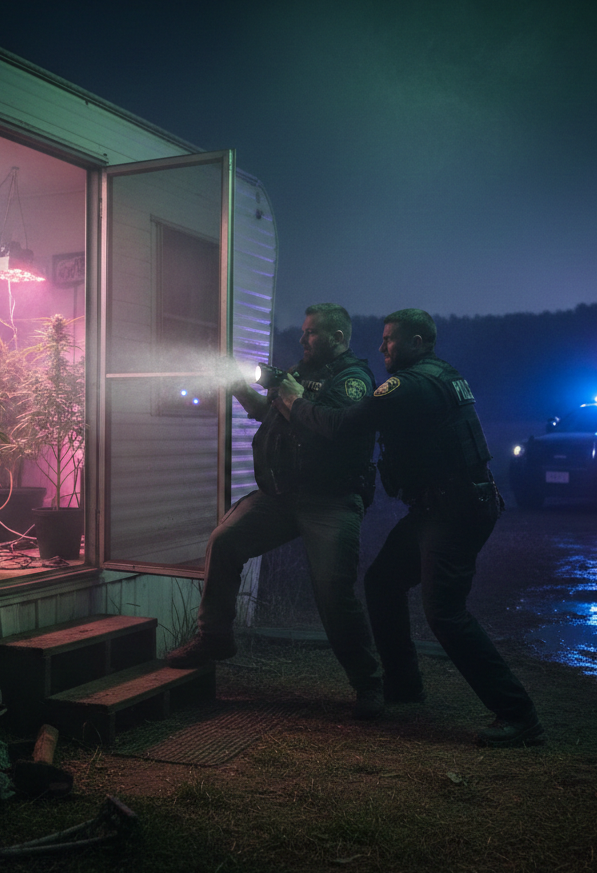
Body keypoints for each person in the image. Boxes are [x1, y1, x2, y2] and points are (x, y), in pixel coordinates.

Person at [274, 308, 543, 746]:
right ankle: (404, 685)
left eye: (390, 340)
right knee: (382, 583)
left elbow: (341, 425)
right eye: (381, 340)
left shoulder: (410, 385)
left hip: (455, 512)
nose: (381, 348)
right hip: (442, 508)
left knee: (446, 614)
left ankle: (519, 715)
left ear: (418, 342)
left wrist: (292, 400)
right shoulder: (440, 373)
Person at [166, 303, 385, 719]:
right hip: (282, 495)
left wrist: (293, 398)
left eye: (312, 334)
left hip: (330, 501)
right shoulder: (300, 375)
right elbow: (273, 416)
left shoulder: (353, 380)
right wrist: (238, 387)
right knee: (225, 540)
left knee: (332, 593)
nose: (302, 340)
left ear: (338, 338)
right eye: (303, 332)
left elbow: (330, 428)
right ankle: (214, 638)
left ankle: (368, 684)